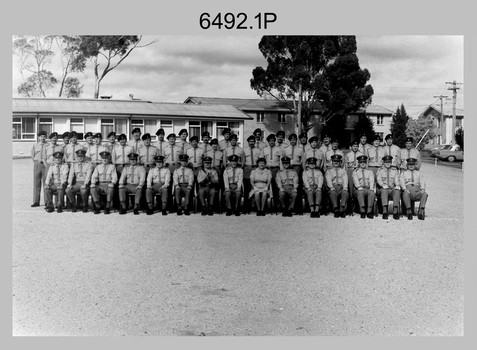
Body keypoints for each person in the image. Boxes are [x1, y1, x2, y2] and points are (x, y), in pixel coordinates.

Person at [284, 133, 304, 214]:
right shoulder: (286, 149)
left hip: (297, 167)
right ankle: (288, 207)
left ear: (296, 140)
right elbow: (283, 161)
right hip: (288, 168)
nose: (293, 141)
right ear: (289, 140)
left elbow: (302, 161)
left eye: (294, 140)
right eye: (291, 140)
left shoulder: (300, 149)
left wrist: (302, 170)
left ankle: (298, 208)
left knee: (297, 187)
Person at [376, 155, 401, 220]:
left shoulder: (394, 170)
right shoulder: (380, 170)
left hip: (391, 188)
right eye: (386, 162)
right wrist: (382, 185)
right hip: (382, 189)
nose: (388, 163)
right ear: (383, 163)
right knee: (384, 190)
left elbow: (396, 179)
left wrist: (397, 185)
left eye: (389, 162)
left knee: (397, 191)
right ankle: (385, 211)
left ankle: (395, 211)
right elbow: (379, 180)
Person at [242, 135, 263, 213]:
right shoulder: (244, 150)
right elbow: (243, 161)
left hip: (255, 169)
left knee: (255, 187)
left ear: (254, 142)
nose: (251, 143)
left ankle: (256, 206)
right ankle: (246, 207)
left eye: (253, 141)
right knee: (247, 189)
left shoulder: (258, 150)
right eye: (250, 141)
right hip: (247, 169)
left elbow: (261, 160)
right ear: (248, 142)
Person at [263, 133, 284, 208]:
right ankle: (264, 205)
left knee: (276, 187)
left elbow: (281, 160)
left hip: (276, 169)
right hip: (267, 170)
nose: (271, 142)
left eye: (273, 140)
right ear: (268, 142)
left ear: (275, 141)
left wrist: (281, 170)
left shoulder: (279, 149)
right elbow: (262, 161)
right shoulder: (264, 149)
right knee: (266, 186)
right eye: (270, 141)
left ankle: (276, 204)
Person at [31, 130, 49, 207]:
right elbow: (32, 155)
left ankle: (46, 201)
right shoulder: (35, 145)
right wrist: (36, 161)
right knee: (36, 183)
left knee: (46, 183)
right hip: (37, 164)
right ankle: (36, 201)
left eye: (44, 136)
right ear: (38, 137)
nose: (43, 138)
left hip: (45, 165)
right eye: (41, 136)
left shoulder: (48, 145)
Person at [345, 140, 364, 204]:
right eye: (353, 146)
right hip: (351, 170)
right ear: (351, 147)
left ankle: (358, 202)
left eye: (356, 146)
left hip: (358, 171)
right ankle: (350, 200)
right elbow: (345, 165)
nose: (355, 147)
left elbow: (364, 164)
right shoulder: (348, 155)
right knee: (350, 186)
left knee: (359, 185)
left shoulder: (361, 154)